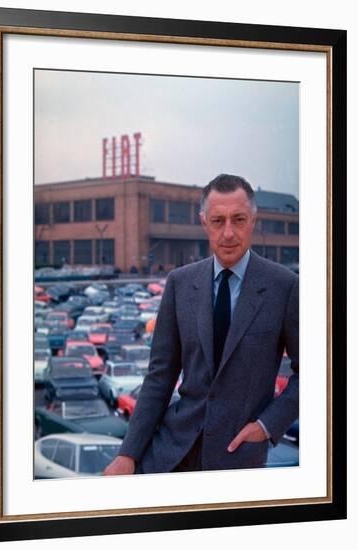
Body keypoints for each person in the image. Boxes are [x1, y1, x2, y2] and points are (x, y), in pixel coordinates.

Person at [103, 174, 299, 475]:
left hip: (237, 457)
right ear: (204, 222)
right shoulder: (180, 283)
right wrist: (128, 453)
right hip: (170, 451)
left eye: (239, 219)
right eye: (218, 221)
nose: (228, 233)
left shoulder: (285, 287)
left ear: (254, 220)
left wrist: (266, 426)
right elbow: (160, 376)